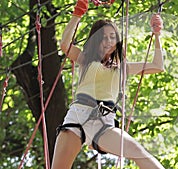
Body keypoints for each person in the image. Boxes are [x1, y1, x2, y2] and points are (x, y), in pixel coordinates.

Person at [51, 0, 165, 168]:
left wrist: (157, 36)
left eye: (112, 37)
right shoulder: (85, 60)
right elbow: (65, 45)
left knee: (142, 156)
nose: (108, 41)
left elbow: (157, 66)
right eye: (103, 37)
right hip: (77, 116)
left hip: (104, 122)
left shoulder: (122, 68)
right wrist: (78, 13)